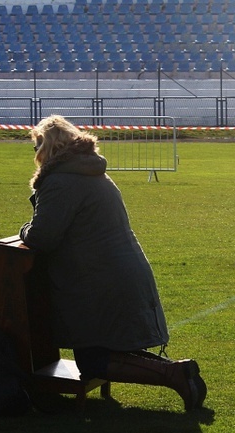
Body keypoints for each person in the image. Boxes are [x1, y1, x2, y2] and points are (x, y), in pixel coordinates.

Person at [19, 115, 206, 411]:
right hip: (117, 271)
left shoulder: (61, 179)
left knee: (93, 358)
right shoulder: (91, 172)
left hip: (98, 279)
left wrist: (24, 230)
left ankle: (174, 374)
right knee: (103, 350)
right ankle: (178, 372)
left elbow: (43, 236)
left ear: (47, 147)